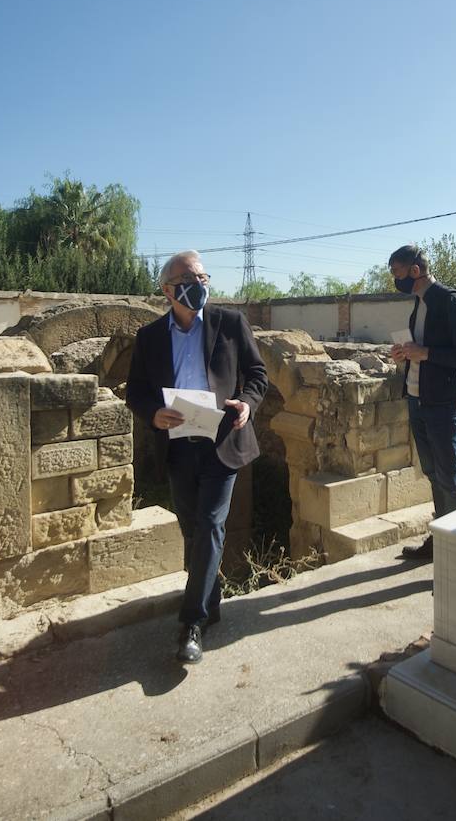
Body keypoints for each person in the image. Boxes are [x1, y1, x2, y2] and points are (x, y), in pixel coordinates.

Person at [125, 250, 268, 664]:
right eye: (189, 279)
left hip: (222, 444)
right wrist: (153, 413)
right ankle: (212, 602)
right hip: (177, 448)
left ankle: (192, 622)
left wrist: (247, 404)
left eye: (203, 277)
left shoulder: (230, 323)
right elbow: (135, 390)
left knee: (209, 524)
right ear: (168, 289)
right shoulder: (150, 337)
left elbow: (257, 374)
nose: (199, 285)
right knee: (193, 528)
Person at [387, 244, 456, 560]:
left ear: (415, 270)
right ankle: (441, 542)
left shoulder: (450, 301)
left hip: (442, 404)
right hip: (417, 399)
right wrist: (405, 353)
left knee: (449, 477)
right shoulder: (419, 304)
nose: (395, 280)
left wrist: (425, 353)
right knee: (432, 473)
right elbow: (420, 350)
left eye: (397, 273)